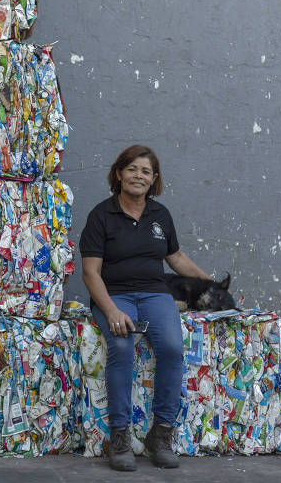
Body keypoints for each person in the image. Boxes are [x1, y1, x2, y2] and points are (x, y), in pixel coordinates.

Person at [79, 145, 211, 471]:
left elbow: (176, 258)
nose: (139, 176)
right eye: (133, 169)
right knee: (121, 347)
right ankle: (120, 437)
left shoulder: (160, 215)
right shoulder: (101, 215)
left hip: (154, 294)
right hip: (115, 295)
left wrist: (210, 284)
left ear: (154, 179)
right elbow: (90, 272)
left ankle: (161, 435)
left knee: (171, 348)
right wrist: (110, 310)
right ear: (119, 174)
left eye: (146, 171)